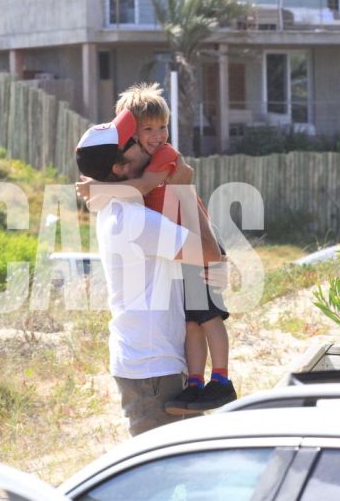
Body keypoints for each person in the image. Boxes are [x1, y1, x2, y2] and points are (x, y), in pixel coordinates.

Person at [78, 83, 237, 415]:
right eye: (142, 133)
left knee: (205, 316)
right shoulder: (128, 214)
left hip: (193, 240)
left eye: (161, 127)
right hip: (151, 360)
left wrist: (102, 187)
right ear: (120, 163)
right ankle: (199, 381)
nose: (155, 136)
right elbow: (142, 188)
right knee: (196, 320)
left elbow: (145, 185)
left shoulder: (160, 159)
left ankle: (219, 379)